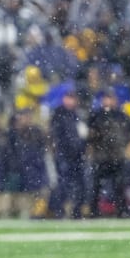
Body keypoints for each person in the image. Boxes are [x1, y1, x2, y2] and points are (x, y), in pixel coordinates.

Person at [87, 88, 130, 217]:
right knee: (96, 186)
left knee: (119, 185)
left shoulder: (121, 115)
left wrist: (121, 142)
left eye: (110, 98)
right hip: (101, 156)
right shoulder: (96, 115)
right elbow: (89, 134)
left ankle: (121, 211)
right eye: (106, 98)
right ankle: (94, 211)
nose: (107, 101)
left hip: (117, 155)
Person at [48, 88, 88, 218]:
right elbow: (57, 135)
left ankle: (76, 211)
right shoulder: (59, 114)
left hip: (77, 155)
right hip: (64, 155)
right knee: (63, 184)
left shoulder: (78, 115)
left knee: (79, 184)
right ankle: (59, 210)